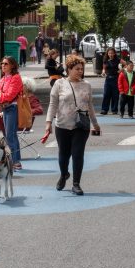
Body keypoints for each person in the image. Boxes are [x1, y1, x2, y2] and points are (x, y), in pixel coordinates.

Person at [45, 54, 100, 195]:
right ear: (69, 69)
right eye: (77, 69)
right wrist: (48, 122)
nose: (80, 71)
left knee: (78, 154)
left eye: (82, 69)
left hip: (81, 126)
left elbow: (90, 106)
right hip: (62, 124)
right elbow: (53, 104)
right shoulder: (59, 84)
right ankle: (64, 174)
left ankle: (76, 184)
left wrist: (95, 123)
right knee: (63, 155)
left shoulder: (87, 85)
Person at [0, 56, 25, 170]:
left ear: (12, 65)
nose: (3, 65)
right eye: (2, 63)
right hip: (5, 108)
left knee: (10, 135)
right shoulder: (3, 78)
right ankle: (16, 161)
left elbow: (10, 95)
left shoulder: (16, 78)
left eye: (6, 64)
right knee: (10, 135)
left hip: (12, 108)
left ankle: (16, 161)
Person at [100, 47, 121, 115]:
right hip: (108, 79)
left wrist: (121, 70)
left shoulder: (117, 60)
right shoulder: (105, 60)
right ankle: (104, 109)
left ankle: (114, 110)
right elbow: (104, 69)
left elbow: (126, 65)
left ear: (114, 53)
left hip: (115, 79)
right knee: (106, 94)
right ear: (107, 53)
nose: (111, 54)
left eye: (112, 53)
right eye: (109, 53)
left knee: (115, 95)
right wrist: (103, 72)